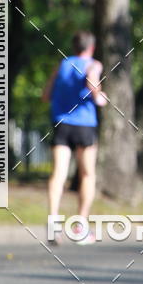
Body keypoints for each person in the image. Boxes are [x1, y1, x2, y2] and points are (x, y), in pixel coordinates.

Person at [42, 30, 108, 245]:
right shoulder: (93, 64)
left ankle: (53, 222)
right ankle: (80, 227)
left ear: (74, 46)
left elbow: (46, 95)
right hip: (84, 125)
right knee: (87, 174)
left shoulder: (62, 64)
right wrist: (99, 96)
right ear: (92, 47)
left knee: (58, 173)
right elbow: (91, 81)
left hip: (61, 123)